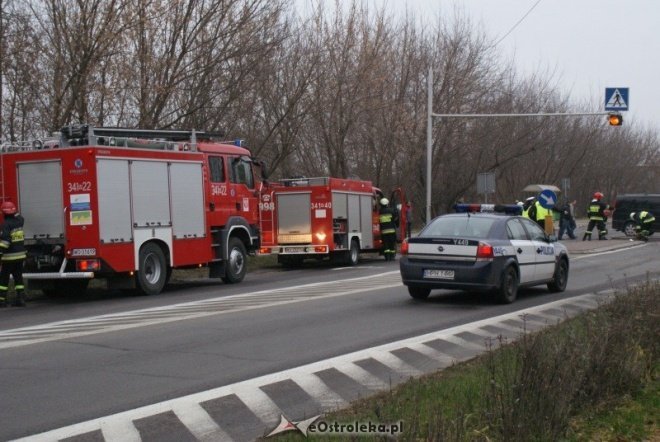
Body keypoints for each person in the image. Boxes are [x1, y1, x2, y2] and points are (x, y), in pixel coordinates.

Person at [0, 201, 27, 307]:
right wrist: (14, 211)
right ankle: (21, 299)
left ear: (3, 213)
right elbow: (20, 216)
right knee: (18, 277)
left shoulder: (5, 225)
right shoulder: (19, 221)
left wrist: (1, 251)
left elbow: (5, 241)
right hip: (21, 255)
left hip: (9, 257)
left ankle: (1, 300)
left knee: (4, 278)